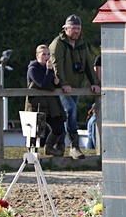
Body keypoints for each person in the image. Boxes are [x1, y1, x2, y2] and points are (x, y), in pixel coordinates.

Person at [50, 15, 100, 160]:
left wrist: (95, 82)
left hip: (75, 87)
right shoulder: (58, 44)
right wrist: (63, 83)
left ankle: (59, 146)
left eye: (78, 28)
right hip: (60, 87)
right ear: (65, 28)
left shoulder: (81, 43)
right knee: (70, 110)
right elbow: (56, 65)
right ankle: (74, 146)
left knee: (67, 115)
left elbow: (88, 64)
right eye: (73, 28)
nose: (76, 31)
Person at [25, 43, 67, 156]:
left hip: (51, 104)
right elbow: (43, 85)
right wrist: (49, 71)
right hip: (37, 104)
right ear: (37, 55)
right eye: (44, 54)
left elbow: (51, 85)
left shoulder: (49, 68)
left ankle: (49, 147)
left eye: (48, 54)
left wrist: (57, 82)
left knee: (58, 127)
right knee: (34, 131)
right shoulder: (33, 69)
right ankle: (32, 154)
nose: (47, 57)